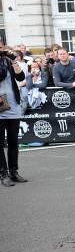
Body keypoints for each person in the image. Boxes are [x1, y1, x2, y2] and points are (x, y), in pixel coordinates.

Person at [0, 47, 27, 186]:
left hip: (13, 105)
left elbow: (21, 77)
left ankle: (13, 171)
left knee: (13, 142)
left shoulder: (8, 61)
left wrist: (13, 61)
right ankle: (3, 174)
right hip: (0, 107)